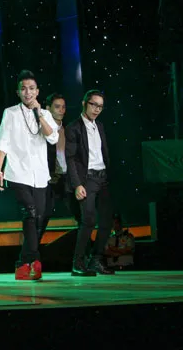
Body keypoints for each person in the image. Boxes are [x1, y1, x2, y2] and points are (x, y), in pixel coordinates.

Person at [0, 70, 59, 280]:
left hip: (40, 175)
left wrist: (40, 114)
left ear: (37, 91)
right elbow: (2, 143)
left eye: (31, 89)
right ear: (18, 92)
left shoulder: (45, 114)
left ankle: (22, 263)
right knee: (30, 213)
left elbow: (52, 138)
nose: (27, 92)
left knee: (38, 218)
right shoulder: (10, 113)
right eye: (23, 89)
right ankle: (35, 261)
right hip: (17, 172)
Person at [66, 89, 115, 276]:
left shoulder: (99, 126)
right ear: (84, 103)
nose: (97, 109)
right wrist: (77, 184)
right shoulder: (74, 127)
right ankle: (77, 263)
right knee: (88, 221)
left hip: (102, 177)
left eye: (100, 107)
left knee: (107, 220)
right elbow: (70, 158)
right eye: (94, 105)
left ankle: (96, 259)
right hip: (87, 179)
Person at [42, 93, 82, 238]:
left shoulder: (68, 130)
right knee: (42, 217)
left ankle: (85, 248)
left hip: (68, 178)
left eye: (63, 107)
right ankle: (32, 251)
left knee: (81, 216)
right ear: (48, 109)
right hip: (50, 179)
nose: (61, 110)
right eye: (57, 107)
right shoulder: (41, 131)